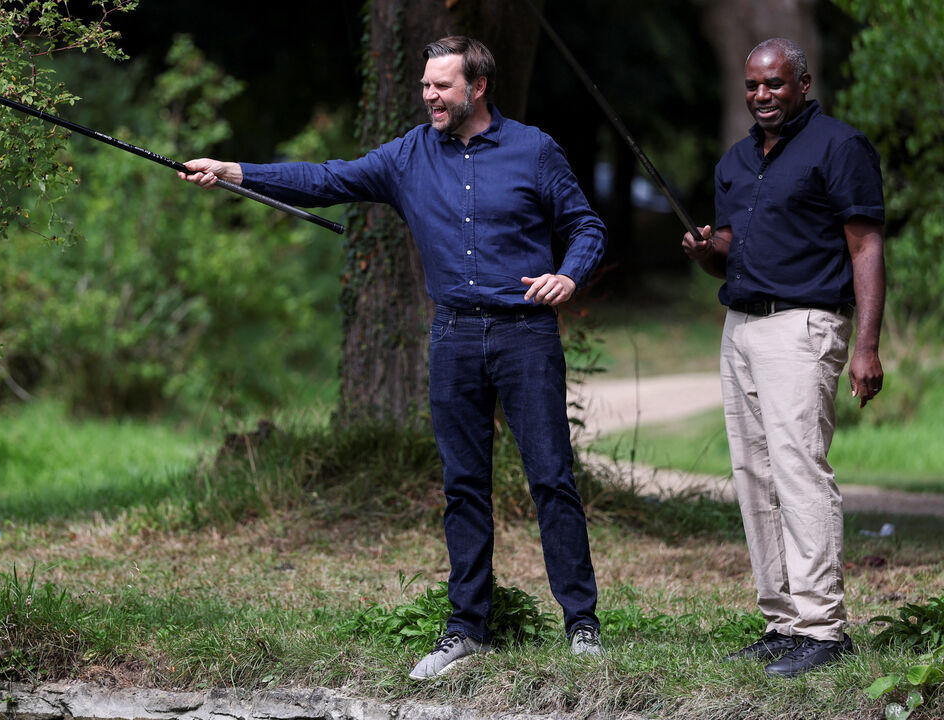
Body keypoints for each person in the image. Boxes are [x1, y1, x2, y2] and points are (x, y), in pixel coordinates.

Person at [180, 36, 606, 679]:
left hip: (525, 336)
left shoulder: (533, 149)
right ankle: (466, 627)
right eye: (426, 87)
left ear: (478, 87)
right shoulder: (408, 155)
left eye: (442, 86)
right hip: (455, 337)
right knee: (463, 486)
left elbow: (586, 226)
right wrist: (238, 173)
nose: (430, 97)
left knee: (550, 478)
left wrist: (568, 277)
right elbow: (327, 178)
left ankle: (582, 625)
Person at [682, 37, 886, 677]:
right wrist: (705, 249)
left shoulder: (839, 146)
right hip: (739, 325)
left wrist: (867, 346)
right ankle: (783, 622)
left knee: (799, 472)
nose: (762, 96)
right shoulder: (736, 161)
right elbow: (731, 250)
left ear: (801, 82)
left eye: (774, 84)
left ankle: (824, 629)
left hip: (803, 327)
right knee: (754, 476)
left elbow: (866, 247)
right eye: (752, 86)